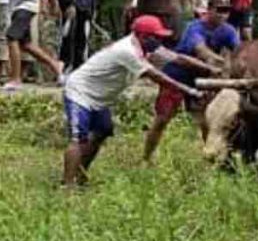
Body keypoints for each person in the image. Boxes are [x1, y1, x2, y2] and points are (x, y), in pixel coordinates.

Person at [63, 15, 203, 186]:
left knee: (102, 131)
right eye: (157, 37)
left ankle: (81, 173)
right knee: (78, 138)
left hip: (99, 97)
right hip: (80, 92)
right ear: (144, 36)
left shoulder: (147, 47)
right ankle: (68, 186)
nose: (160, 40)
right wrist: (189, 90)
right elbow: (157, 76)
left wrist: (210, 67)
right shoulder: (127, 51)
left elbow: (178, 59)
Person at [143, 0, 239, 162]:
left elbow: (239, 51)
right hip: (177, 75)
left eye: (227, 10)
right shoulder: (194, 27)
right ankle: (146, 158)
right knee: (162, 119)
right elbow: (201, 51)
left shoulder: (229, 31)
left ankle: (212, 159)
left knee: (207, 120)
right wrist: (220, 64)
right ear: (209, 10)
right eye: (219, 10)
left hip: (201, 79)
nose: (223, 15)